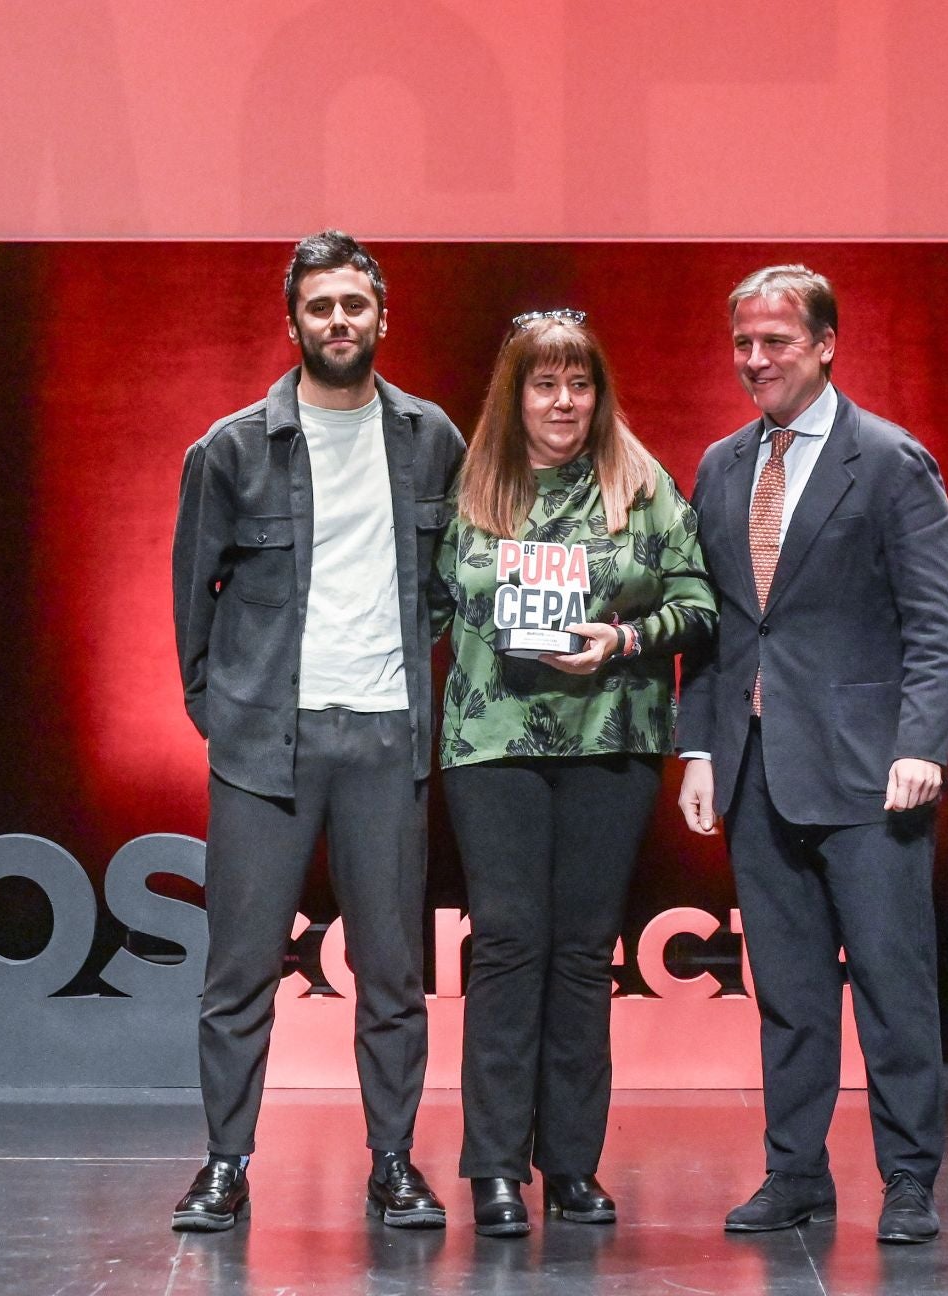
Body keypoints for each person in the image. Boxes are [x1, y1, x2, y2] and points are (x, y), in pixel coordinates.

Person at [169, 231, 464, 1231]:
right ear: (293, 321)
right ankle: (225, 1164)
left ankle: (394, 1165)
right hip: (265, 746)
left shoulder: (431, 438)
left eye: (354, 304)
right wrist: (222, 711)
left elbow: (448, 583)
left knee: (393, 976)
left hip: (385, 740)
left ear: (382, 316)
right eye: (319, 306)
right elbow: (193, 597)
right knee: (238, 972)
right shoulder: (231, 449)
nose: (338, 321)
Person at [676, 265, 948, 1244]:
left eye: (777, 342)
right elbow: (717, 627)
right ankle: (795, 1173)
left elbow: (937, 625)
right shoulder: (723, 465)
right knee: (789, 992)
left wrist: (921, 745)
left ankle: (909, 1179)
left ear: (827, 345)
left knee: (891, 983)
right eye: (744, 343)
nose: (756, 359)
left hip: (870, 774)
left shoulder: (888, 461)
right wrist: (700, 749)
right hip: (757, 767)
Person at [435, 310, 715, 1237]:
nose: (564, 402)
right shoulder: (472, 486)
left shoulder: (642, 483)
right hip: (494, 744)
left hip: (612, 739)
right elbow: (427, 602)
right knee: (510, 943)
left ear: (600, 393)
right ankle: (494, 1169)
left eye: (580, 384)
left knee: (585, 951)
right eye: (545, 384)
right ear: (515, 395)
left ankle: (571, 1166)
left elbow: (699, 604)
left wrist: (624, 638)